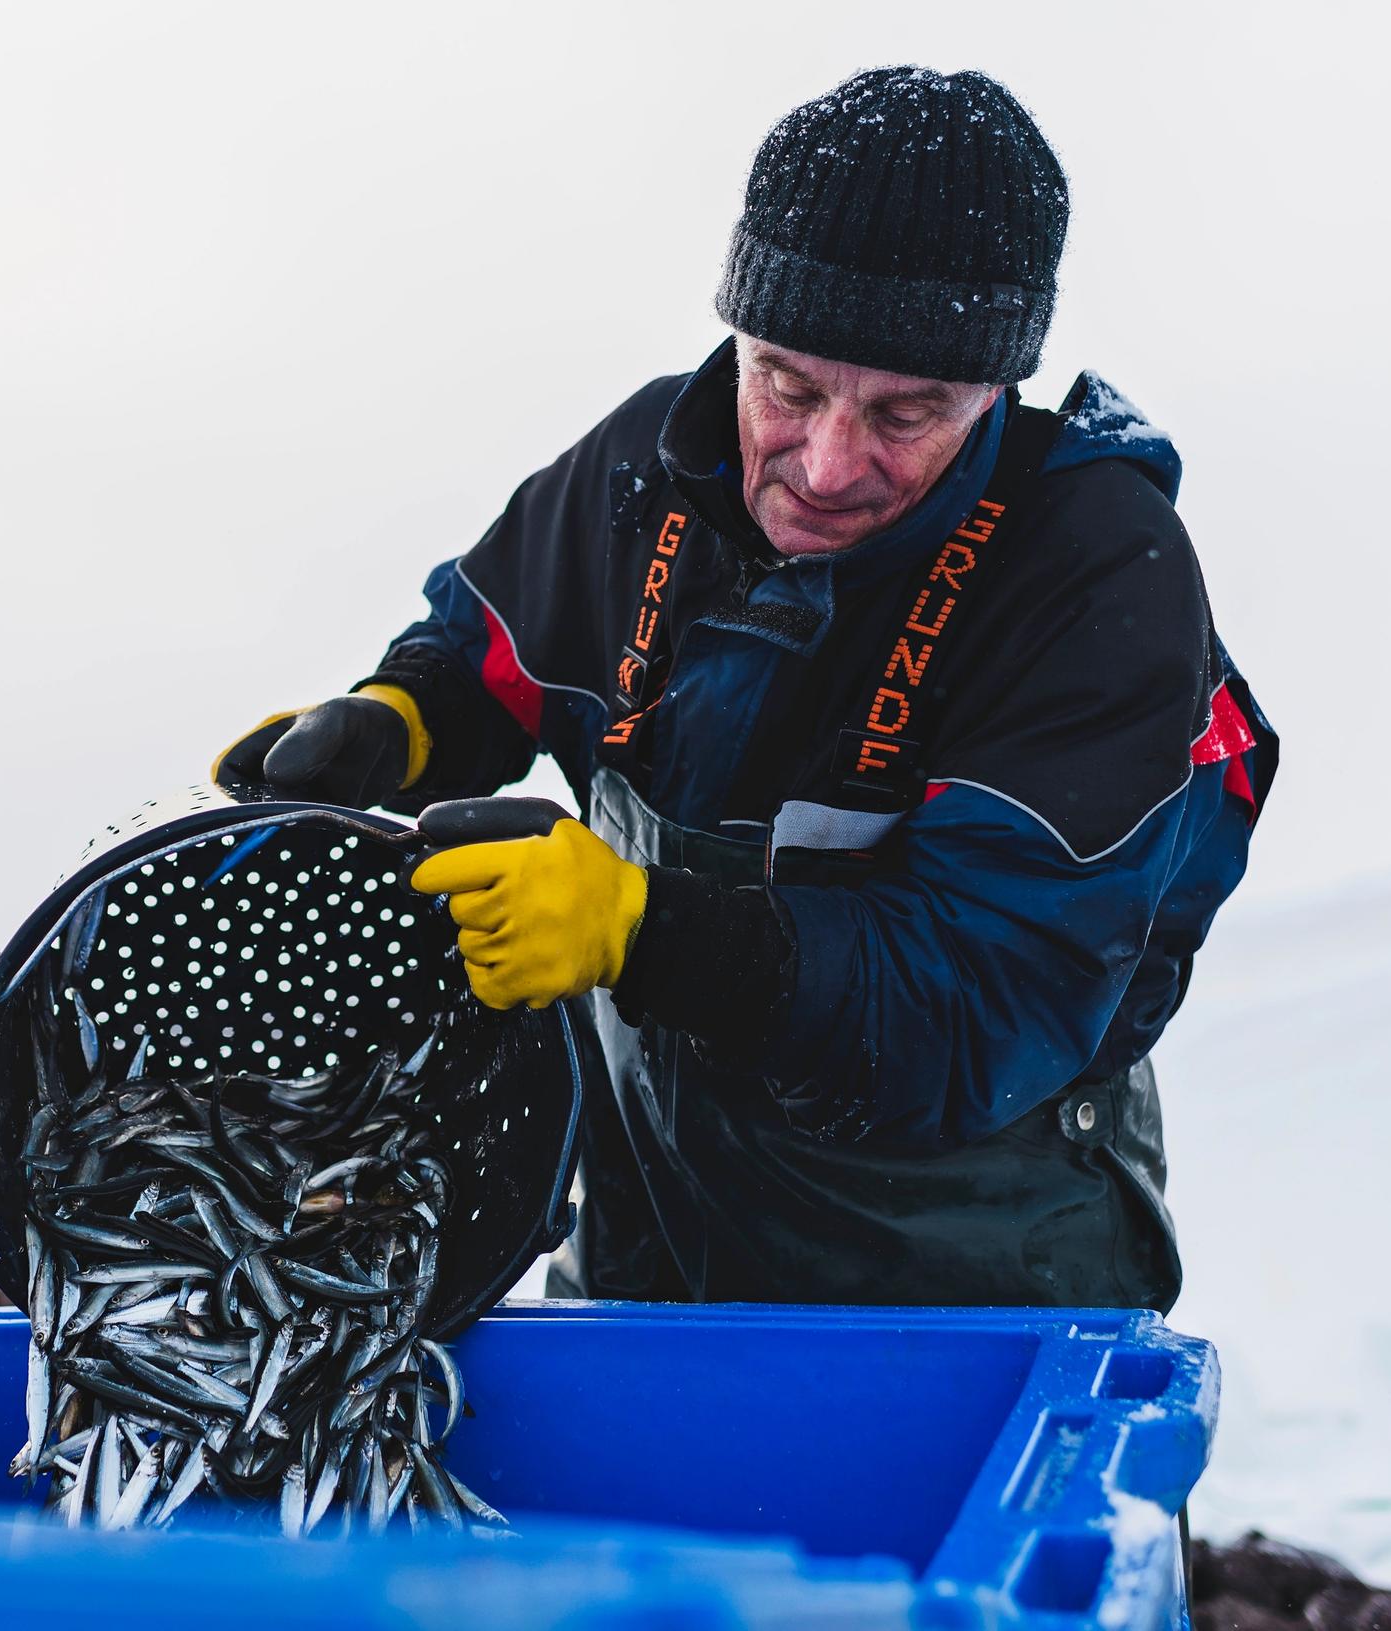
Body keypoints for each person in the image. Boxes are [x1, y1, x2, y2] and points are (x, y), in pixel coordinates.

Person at [215, 67, 1276, 1310]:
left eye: (907, 410)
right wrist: (399, 718)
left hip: (961, 1289)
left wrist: (636, 928)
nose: (829, 463)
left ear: (999, 385)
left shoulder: (1096, 574)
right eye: (788, 382)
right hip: (648, 1240)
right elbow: (490, 646)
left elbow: (981, 999)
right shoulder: (648, 459)